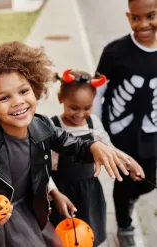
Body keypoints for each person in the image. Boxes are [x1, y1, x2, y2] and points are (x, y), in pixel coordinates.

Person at [0, 41, 132, 247]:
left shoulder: (41, 126)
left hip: (23, 218)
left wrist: (93, 147)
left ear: (35, 90)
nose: (18, 101)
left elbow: (71, 144)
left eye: (24, 91)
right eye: (5, 97)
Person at [49, 69, 145, 247]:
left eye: (87, 108)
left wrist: (130, 163)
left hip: (89, 190)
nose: (80, 114)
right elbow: (45, 163)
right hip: (62, 191)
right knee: (62, 234)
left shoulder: (94, 124)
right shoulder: (53, 126)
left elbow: (110, 149)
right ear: (61, 98)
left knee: (89, 230)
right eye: (74, 108)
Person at [93, 0, 157, 246]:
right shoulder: (114, 52)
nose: (143, 24)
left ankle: (129, 200)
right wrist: (98, 134)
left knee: (147, 182)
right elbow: (98, 93)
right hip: (119, 135)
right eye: (135, 18)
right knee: (123, 185)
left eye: (151, 16)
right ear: (128, 16)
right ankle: (124, 226)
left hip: (152, 133)